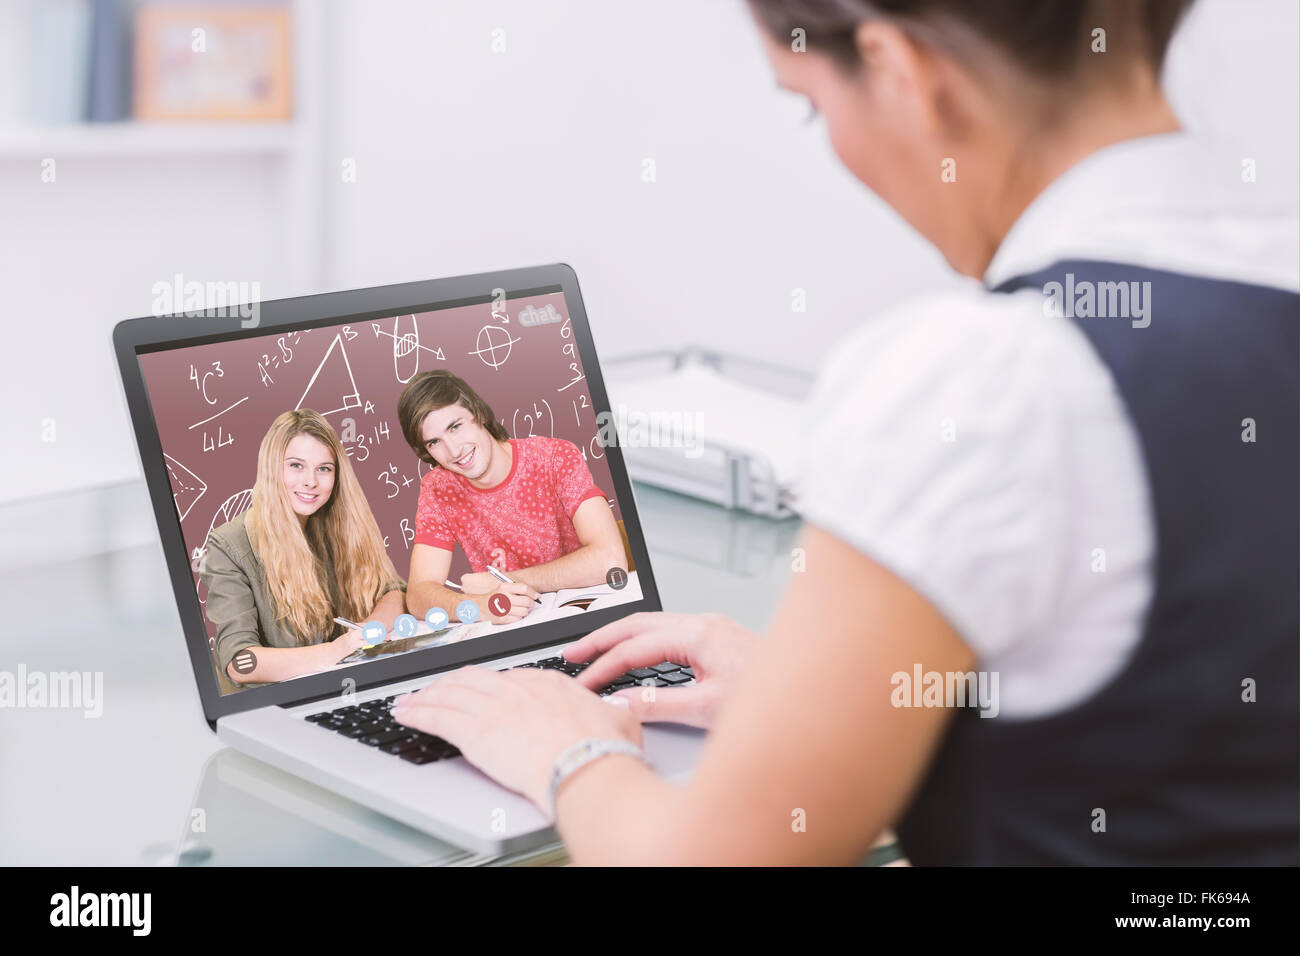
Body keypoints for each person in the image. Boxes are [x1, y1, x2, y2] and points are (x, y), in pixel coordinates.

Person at [392, 0, 1298, 865]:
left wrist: (570, 752)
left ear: (897, 69)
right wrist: (826, 695)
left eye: (809, 106)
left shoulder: (989, 380)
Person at [397, 370, 627, 625]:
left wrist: (503, 580)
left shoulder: (555, 457)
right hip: (516, 629)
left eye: (455, 427)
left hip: (589, 619)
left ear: (479, 414)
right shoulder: (437, 489)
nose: (453, 450)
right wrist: (478, 607)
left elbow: (611, 561)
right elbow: (418, 596)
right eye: (434, 443)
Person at [201, 409, 408, 686]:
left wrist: (371, 630)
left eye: (324, 469)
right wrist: (340, 649)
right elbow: (240, 663)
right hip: (277, 706)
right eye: (296, 465)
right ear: (273, 468)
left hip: (344, 688)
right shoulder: (229, 545)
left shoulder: (335, 524)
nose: (311, 481)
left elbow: (393, 591)